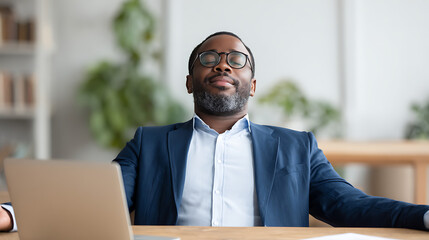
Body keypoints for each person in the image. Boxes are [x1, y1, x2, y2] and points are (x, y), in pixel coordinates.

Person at [1, 31, 429, 231]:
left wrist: (423, 215)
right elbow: (95, 201)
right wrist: (12, 214)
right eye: (209, 57)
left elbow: (349, 205)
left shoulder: (297, 148)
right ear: (189, 80)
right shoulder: (149, 144)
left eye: (236, 59)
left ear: (253, 86)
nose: (223, 64)